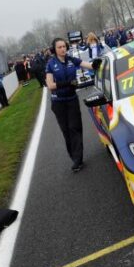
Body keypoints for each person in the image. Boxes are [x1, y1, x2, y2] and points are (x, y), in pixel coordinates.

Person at [45, 38, 100, 172]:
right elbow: (50, 85)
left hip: (72, 100)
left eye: (64, 46)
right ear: (55, 49)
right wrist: (68, 83)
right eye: (59, 47)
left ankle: (78, 160)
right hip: (58, 102)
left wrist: (98, 63)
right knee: (67, 132)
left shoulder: (71, 60)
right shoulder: (51, 64)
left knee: (75, 128)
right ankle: (74, 157)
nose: (63, 49)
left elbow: (88, 65)